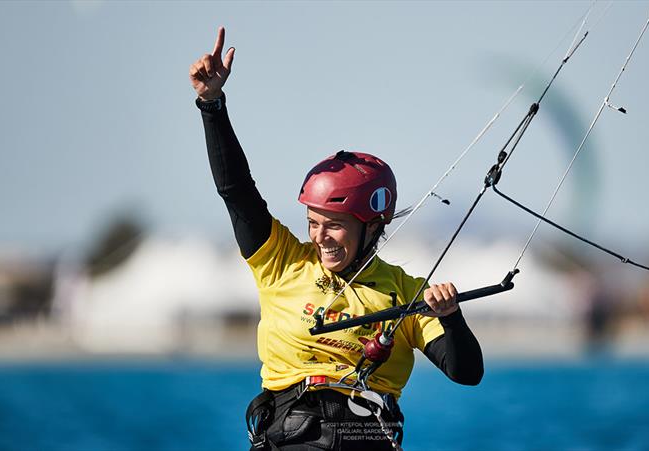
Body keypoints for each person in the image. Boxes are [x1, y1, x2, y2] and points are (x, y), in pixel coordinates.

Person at [190, 27, 484, 451]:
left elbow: (466, 372)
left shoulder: (406, 291)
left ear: (373, 225)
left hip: (365, 433)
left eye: (334, 225)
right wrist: (211, 104)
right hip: (291, 430)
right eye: (313, 222)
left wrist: (452, 317)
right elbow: (236, 191)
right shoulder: (282, 261)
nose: (319, 237)